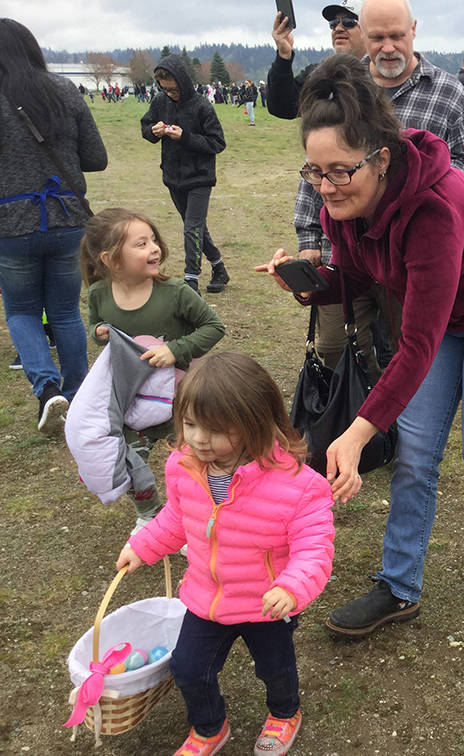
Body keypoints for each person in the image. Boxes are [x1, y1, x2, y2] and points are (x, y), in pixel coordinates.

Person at [258, 54, 464, 638]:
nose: (326, 187)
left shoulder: (434, 210)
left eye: (340, 171)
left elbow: (416, 343)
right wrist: (313, 285)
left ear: (381, 158)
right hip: (442, 316)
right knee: (416, 452)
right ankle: (399, 586)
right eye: (314, 172)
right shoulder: (341, 205)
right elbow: (363, 277)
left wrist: (359, 429)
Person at [116, 352, 334, 756]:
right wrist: (141, 546)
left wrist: (291, 587)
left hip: (266, 601)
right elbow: (176, 519)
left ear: (256, 422)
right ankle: (209, 727)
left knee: (275, 667)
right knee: (188, 668)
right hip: (206, 596)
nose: (199, 439)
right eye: (191, 423)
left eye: (216, 430)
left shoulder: (300, 487)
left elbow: (314, 548)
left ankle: (285, 713)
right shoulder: (185, 466)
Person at [285, 0, 464, 375]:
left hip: (408, 252)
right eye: (377, 37)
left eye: (396, 36)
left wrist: (418, 197)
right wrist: (309, 238)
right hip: (345, 246)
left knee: (405, 349)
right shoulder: (343, 87)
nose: (388, 47)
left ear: (413, 30)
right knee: (336, 347)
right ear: (364, 35)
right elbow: (320, 166)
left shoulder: (450, 92)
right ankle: (357, 419)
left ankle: (395, 426)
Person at [80, 208, 225, 533]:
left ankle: (199, 518)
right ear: (111, 259)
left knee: (197, 462)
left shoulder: (175, 293)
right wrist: (99, 332)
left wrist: (175, 350)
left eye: (153, 240)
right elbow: (94, 327)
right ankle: (149, 514)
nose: (154, 248)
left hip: (182, 399)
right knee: (128, 460)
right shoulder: (99, 294)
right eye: (141, 244)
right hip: (133, 400)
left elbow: (213, 327)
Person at [0, 18, 107, 434]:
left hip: (11, 225)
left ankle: (47, 389)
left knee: (22, 311)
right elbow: (95, 157)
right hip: (66, 219)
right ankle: (78, 397)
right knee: (65, 311)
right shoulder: (64, 91)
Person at [140, 55, 229, 294]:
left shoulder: (201, 106)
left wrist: (186, 137)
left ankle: (191, 281)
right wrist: (153, 131)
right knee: (197, 228)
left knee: (192, 228)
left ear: (183, 82)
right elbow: (145, 127)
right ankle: (220, 268)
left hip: (200, 178)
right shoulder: (160, 101)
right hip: (173, 177)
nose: (171, 94)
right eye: (166, 89)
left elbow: (218, 142)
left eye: (174, 89)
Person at [267, 0, 366, 119]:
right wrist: (283, 56)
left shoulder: (383, 71)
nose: (338, 28)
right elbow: (282, 107)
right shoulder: (319, 73)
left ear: (369, 29)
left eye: (348, 22)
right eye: (333, 23)